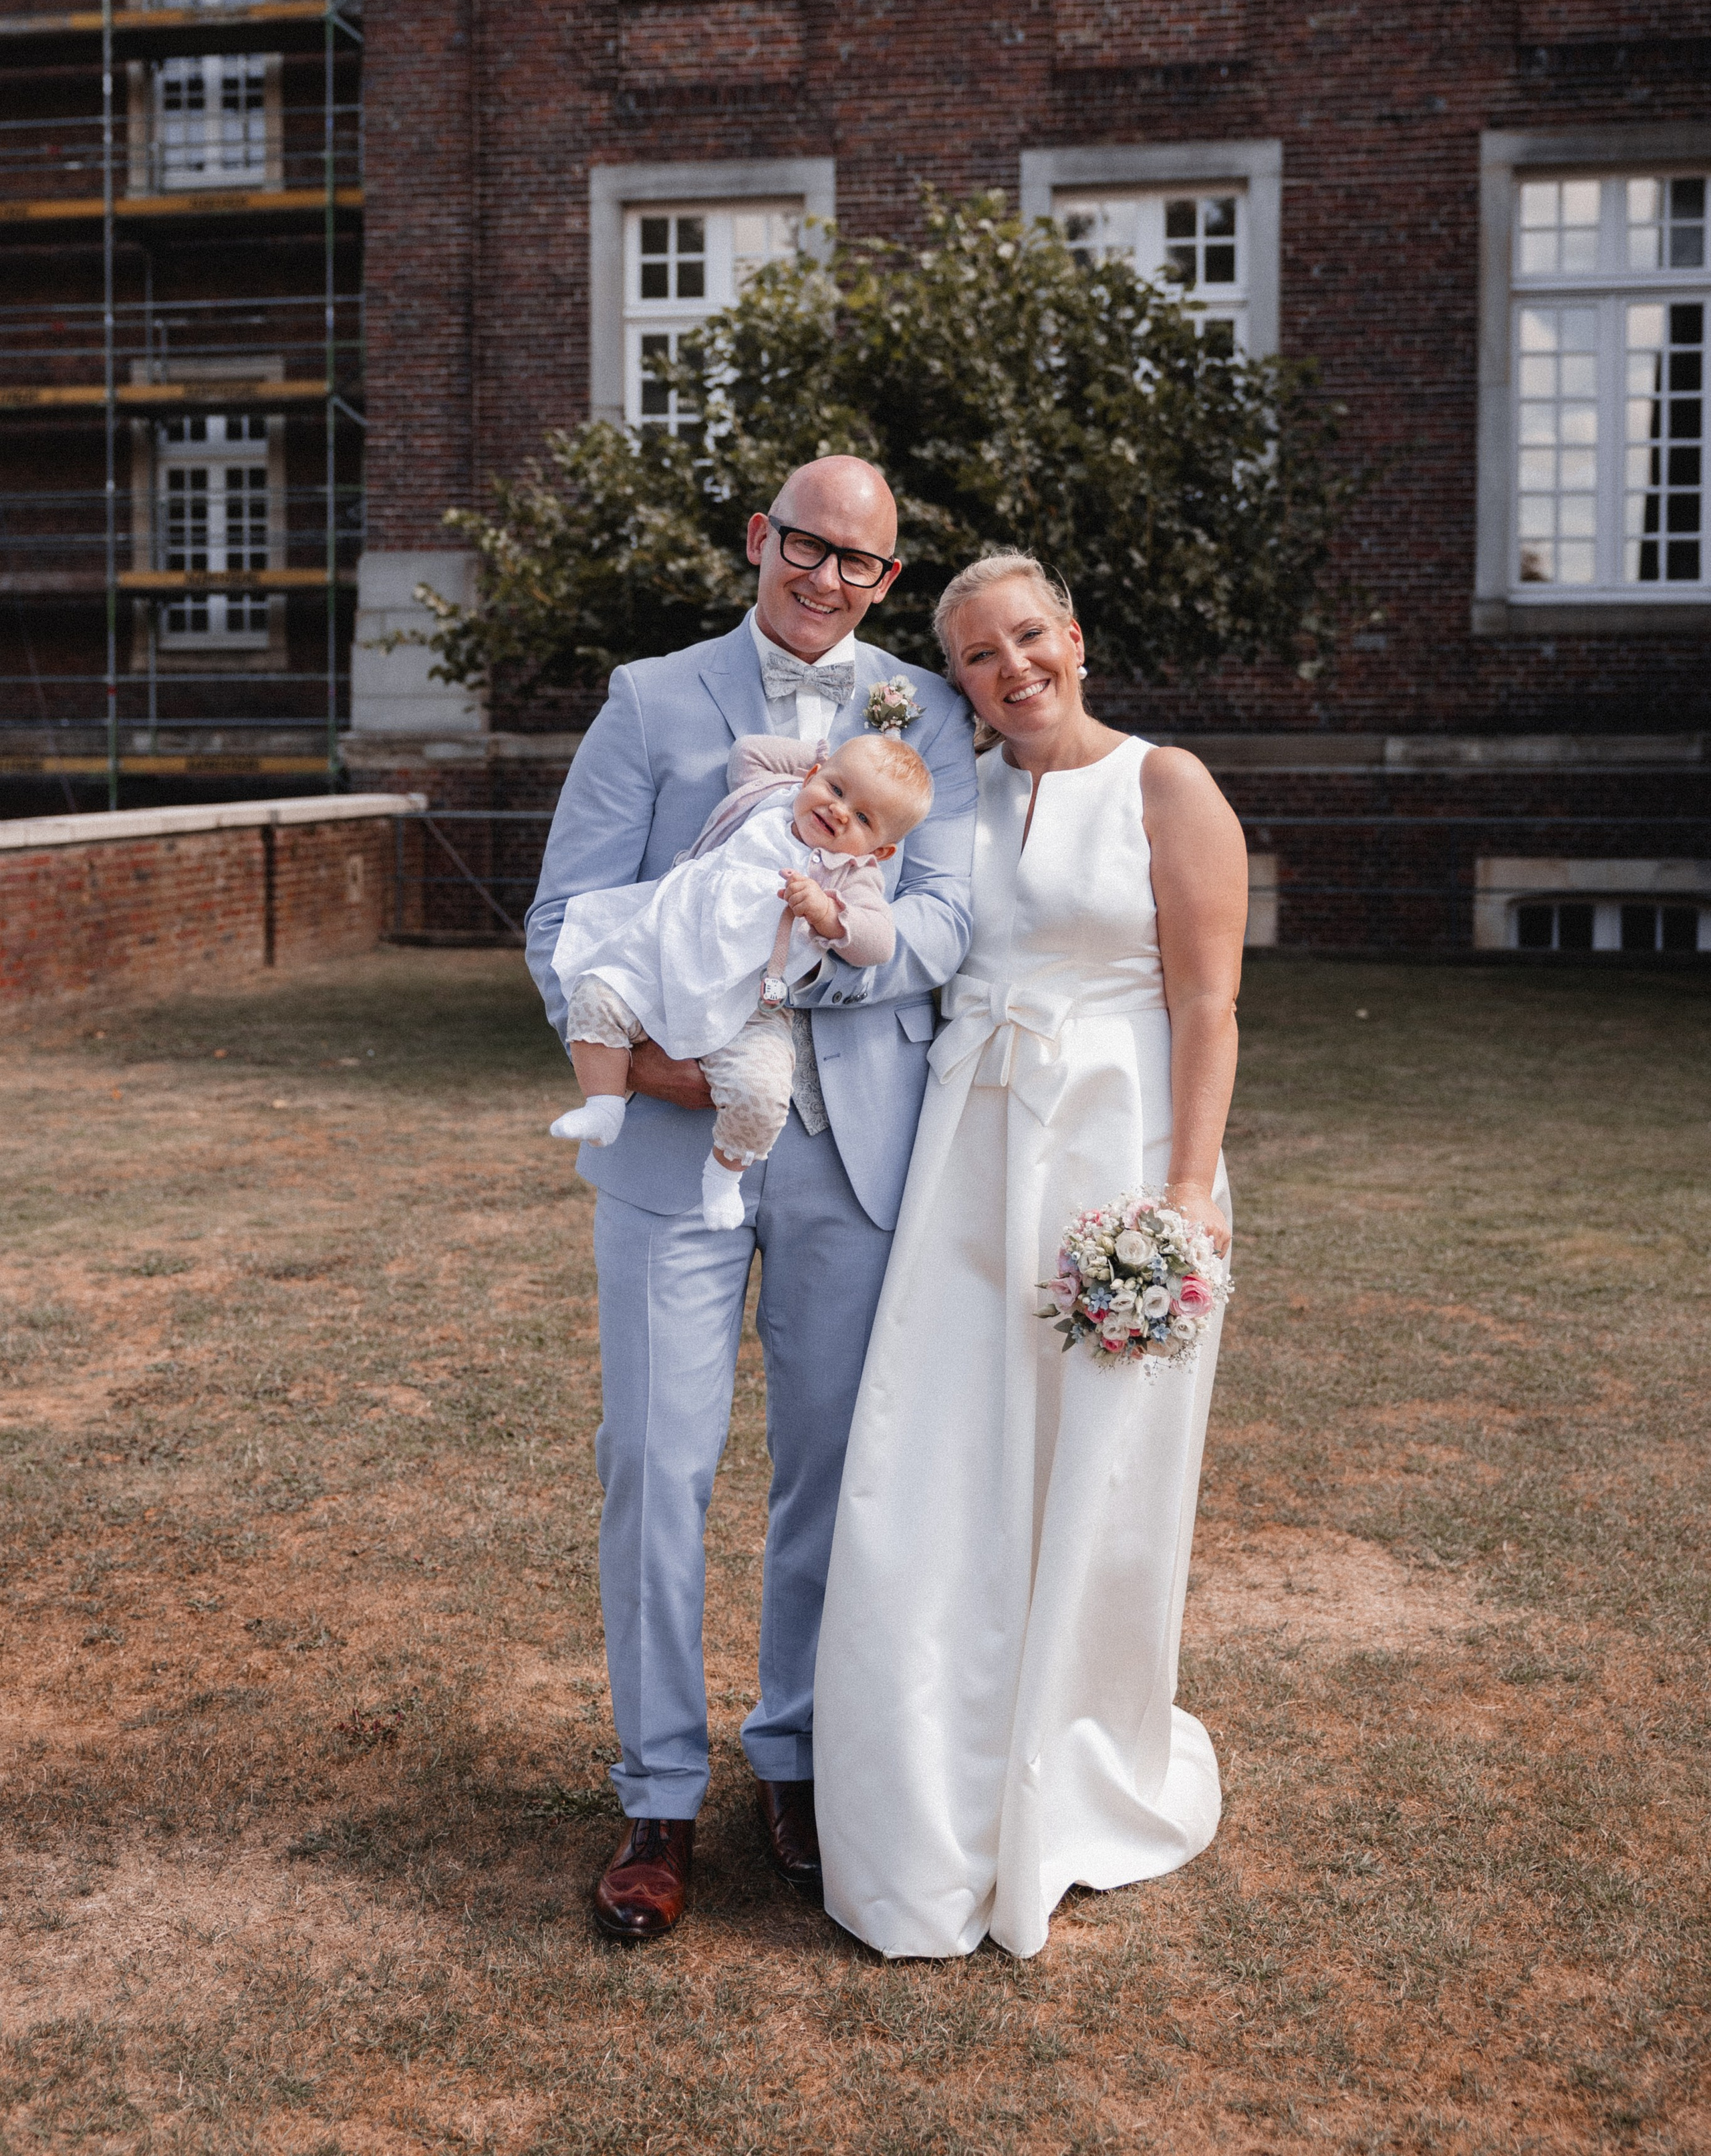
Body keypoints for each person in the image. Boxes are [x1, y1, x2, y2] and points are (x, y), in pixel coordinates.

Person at [524, 457, 977, 1943]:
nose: (825, 576)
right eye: (805, 544)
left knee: (829, 1471)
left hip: (852, 1144)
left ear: (887, 582)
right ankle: (657, 1792)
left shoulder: (930, 710)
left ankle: (790, 1756)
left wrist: (847, 935)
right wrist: (660, 1070)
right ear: (757, 539)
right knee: (654, 1462)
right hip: (668, 1132)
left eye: (858, 562)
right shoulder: (651, 700)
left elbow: (948, 919)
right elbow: (561, 917)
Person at [813, 551, 1248, 1960]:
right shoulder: (947, 800)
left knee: (1094, 1473)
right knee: (931, 1461)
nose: (1011, 671)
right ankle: (924, 1776)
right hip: (963, 1159)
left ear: (1073, 635)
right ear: (955, 682)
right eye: (977, 658)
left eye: (1027, 639)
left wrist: (1181, 1194)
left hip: (1110, 1162)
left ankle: (1074, 1763)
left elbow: (1205, 1000)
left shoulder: (1164, 786)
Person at [549, 731, 933, 1230]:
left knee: (762, 1090)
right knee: (596, 993)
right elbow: (748, 751)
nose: (840, 813)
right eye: (837, 790)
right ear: (812, 778)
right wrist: (825, 758)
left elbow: (880, 942)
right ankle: (603, 1105)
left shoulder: (850, 874)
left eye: (863, 818)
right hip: (665, 963)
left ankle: (724, 1175)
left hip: (750, 1004)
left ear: (880, 851)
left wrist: (828, 914)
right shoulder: (767, 799)